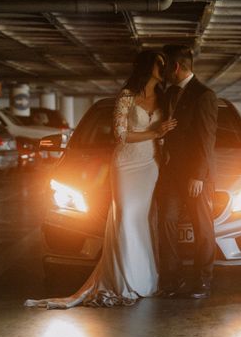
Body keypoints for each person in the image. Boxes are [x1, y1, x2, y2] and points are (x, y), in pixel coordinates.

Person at [24, 50, 177, 309]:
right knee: (126, 215)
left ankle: (145, 281)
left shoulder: (164, 98)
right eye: (158, 62)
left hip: (151, 165)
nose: (163, 66)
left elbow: (167, 135)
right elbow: (120, 135)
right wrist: (154, 132)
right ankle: (123, 281)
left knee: (143, 220)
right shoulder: (126, 96)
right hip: (127, 163)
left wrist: (162, 145)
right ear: (146, 66)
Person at [158, 44, 218, 299]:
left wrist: (198, 175)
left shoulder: (204, 95)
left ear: (176, 67)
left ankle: (202, 279)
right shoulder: (169, 92)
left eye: (165, 68)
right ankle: (172, 277)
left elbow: (206, 138)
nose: (163, 73)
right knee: (167, 221)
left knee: (201, 225)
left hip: (194, 175)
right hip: (170, 171)